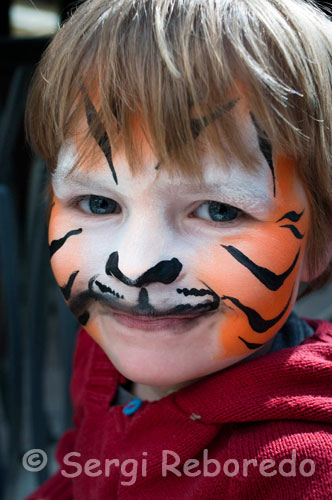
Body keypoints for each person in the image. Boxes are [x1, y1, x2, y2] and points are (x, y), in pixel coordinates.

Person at [25, 0, 332, 498]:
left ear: (321, 240)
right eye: (99, 202)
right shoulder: (110, 347)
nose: (135, 268)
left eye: (218, 211)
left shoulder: (303, 471)